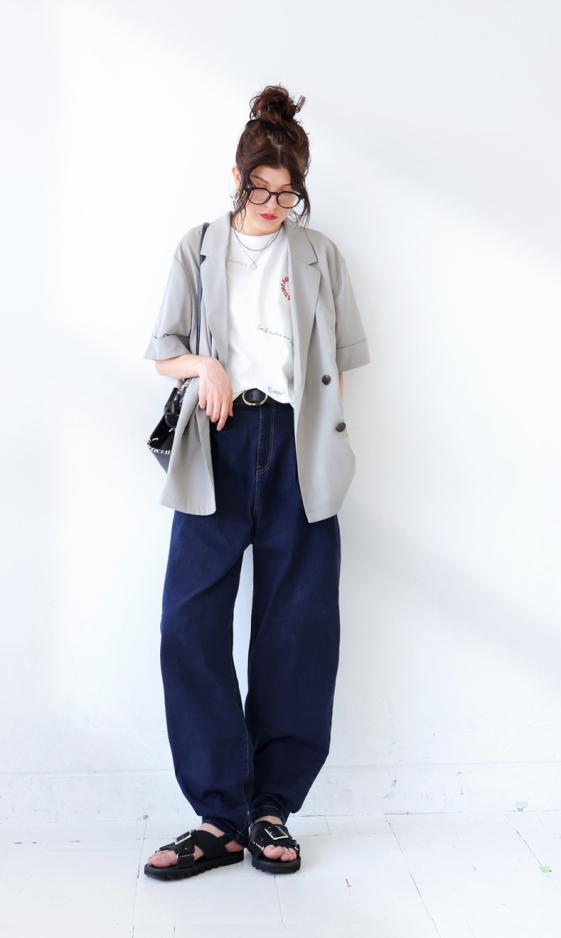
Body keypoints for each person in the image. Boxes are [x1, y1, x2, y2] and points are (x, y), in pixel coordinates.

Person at [143, 84, 371, 880]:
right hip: (217, 441)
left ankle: (270, 807)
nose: (273, 206)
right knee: (188, 623)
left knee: (297, 629)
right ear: (236, 178)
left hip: (297, 446)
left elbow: (341, 362)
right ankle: (219, 815)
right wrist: (205, 365)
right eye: (259, 190)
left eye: (287, 193)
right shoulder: (199, 247)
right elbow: (163, 349)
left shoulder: (320, 255)